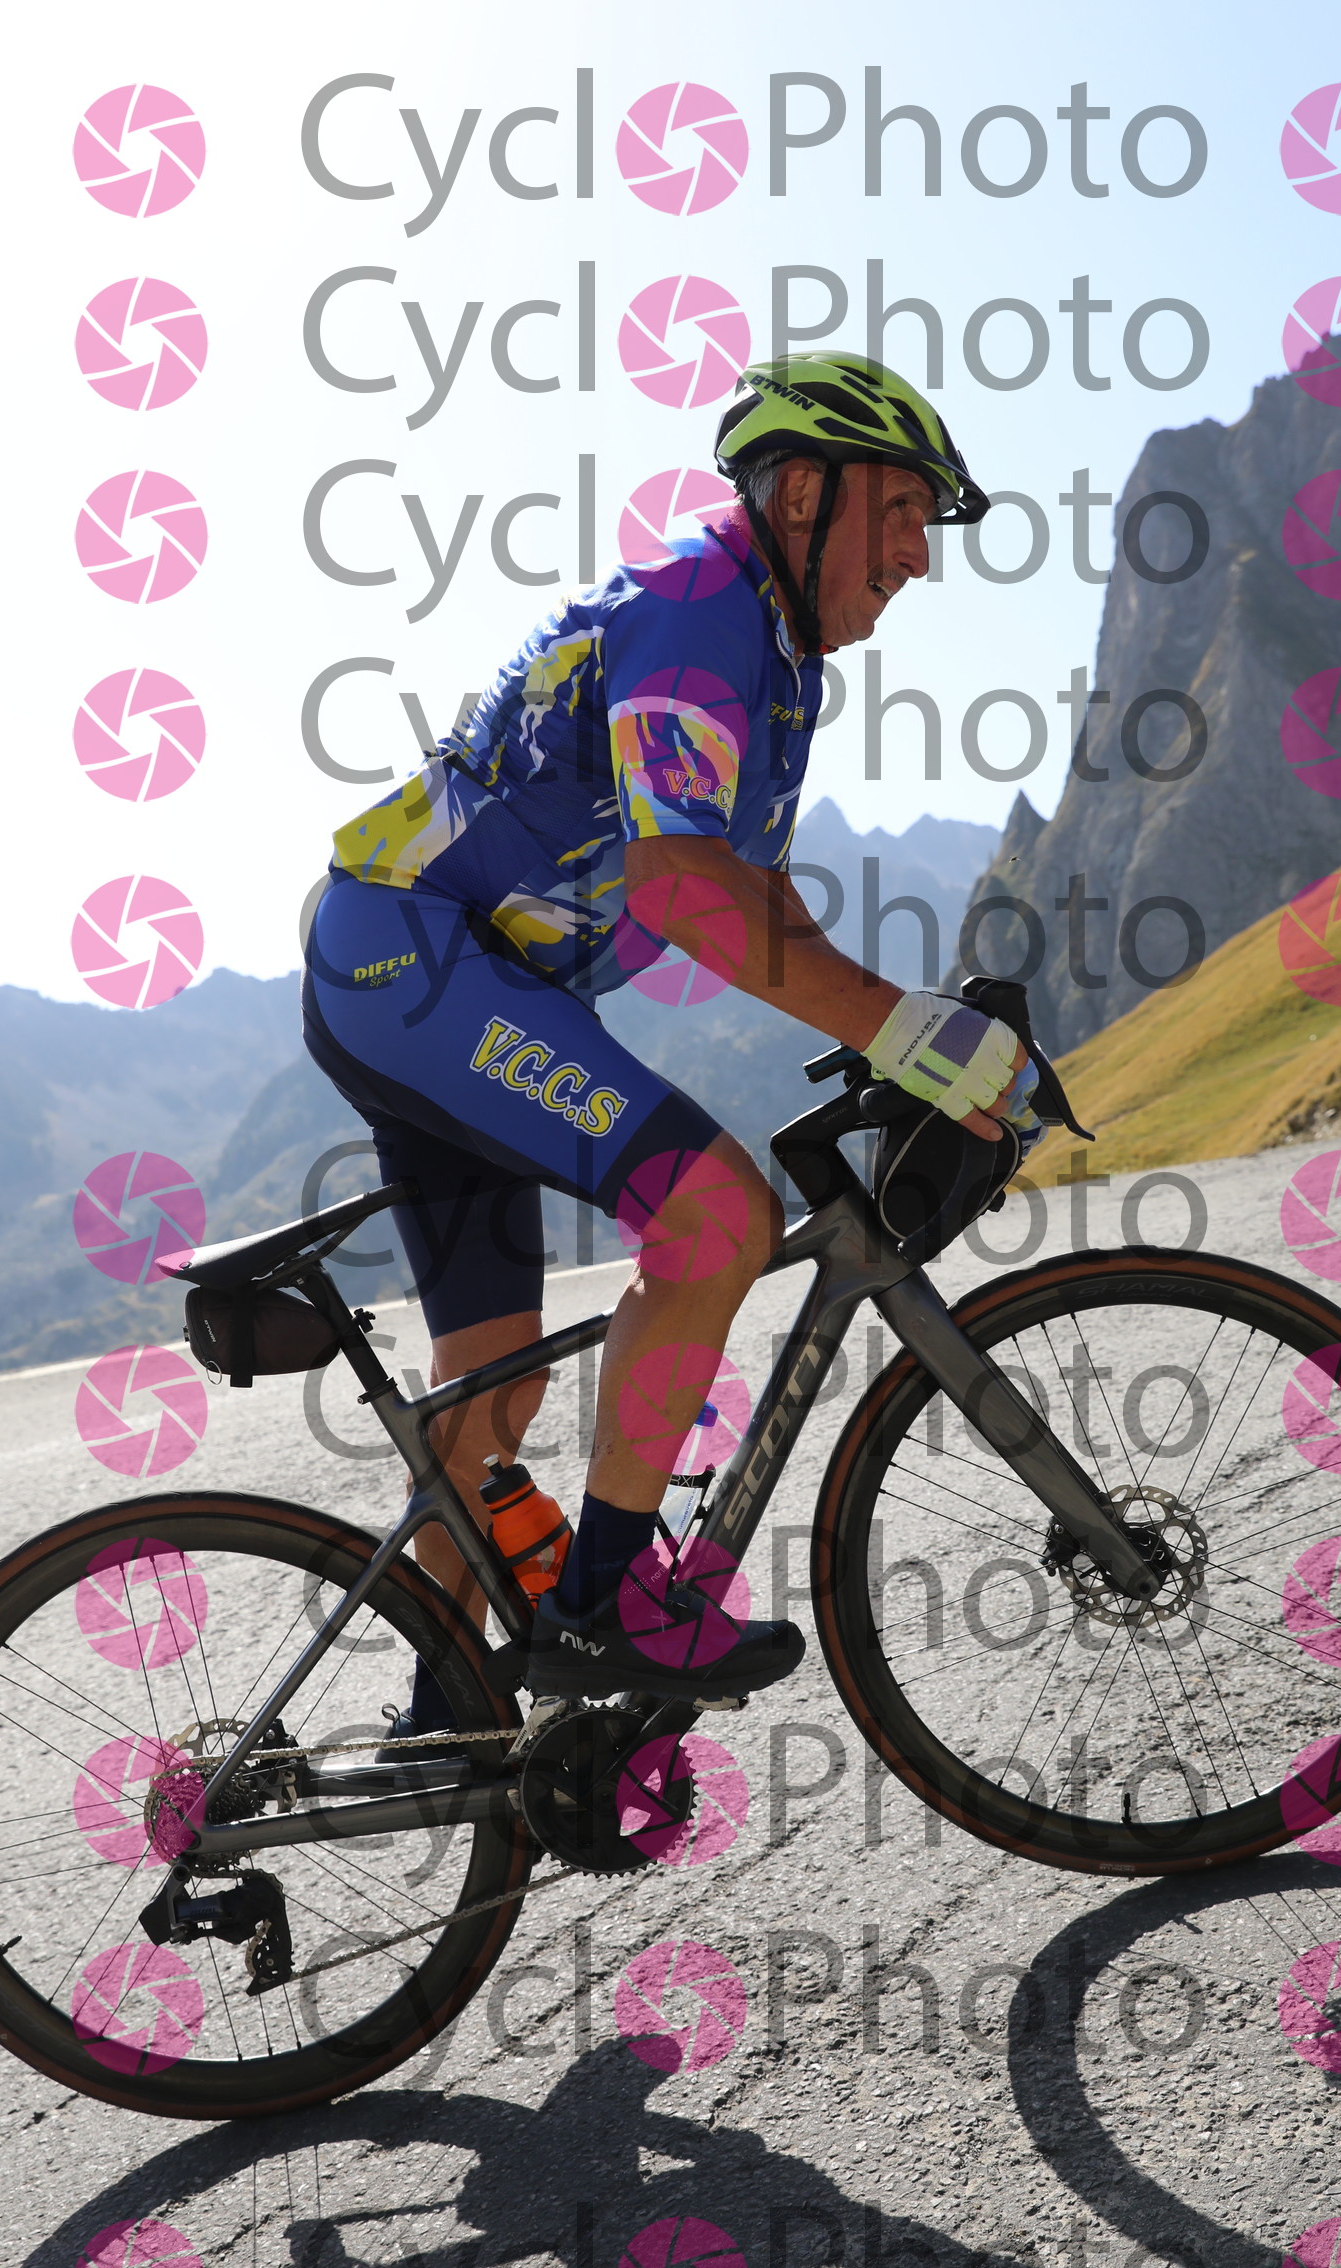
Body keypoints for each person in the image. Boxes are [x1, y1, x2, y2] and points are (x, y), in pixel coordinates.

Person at [300, 351, 1044, 1720]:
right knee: (713, 1213)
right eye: (899, 510)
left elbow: (757, 898)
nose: (916, 557)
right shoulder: (701, 608)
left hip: (435, 975)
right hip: (418, 959)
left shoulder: (777, 664)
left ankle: (449, 1729)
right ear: (802, 492)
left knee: (489, 1405)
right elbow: (680, 890)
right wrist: (908, 1037)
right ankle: (600, 1610)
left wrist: (901, 1033)